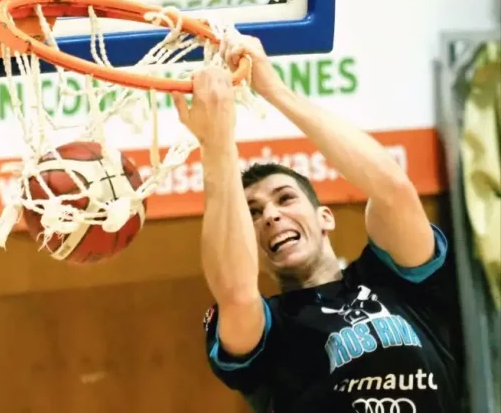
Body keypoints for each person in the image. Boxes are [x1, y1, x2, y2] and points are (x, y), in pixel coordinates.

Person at [172, 33, 463, 412]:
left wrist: (274, 89)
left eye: (285, 198)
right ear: (251, 247)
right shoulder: (270, 327)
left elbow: (393, 189)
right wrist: (216, 142)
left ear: (324, 217)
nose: (271, 216)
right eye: (253, 213)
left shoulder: (400, 283)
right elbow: (237, 292)